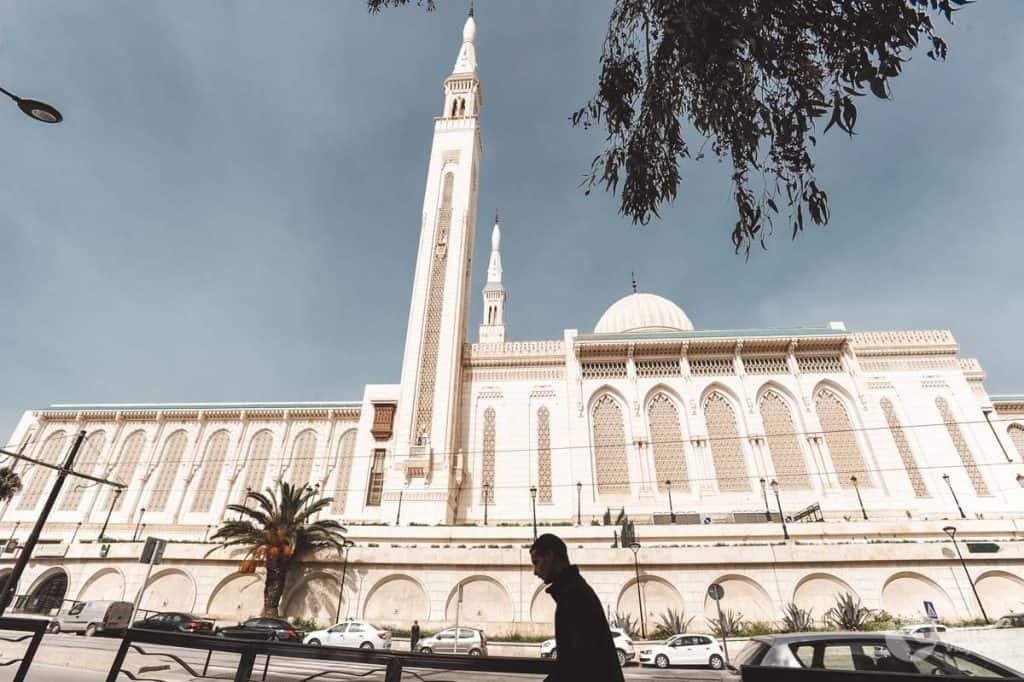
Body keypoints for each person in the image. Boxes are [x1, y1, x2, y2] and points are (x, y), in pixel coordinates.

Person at [530, 533, 624, 682]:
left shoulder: (573, 596)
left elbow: (576, 664)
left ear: (549, 556)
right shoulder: (575, 591)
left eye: (536, 562)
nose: (535, 571)